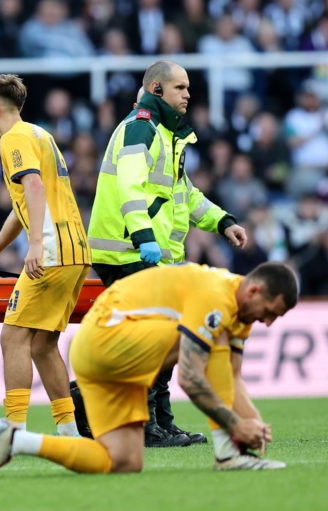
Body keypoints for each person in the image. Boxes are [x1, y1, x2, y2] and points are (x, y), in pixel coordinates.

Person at [0, 261, 299, 478]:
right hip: (108, 337)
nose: (268, 322)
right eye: (269, 312)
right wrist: (235, 426)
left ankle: (15, 440)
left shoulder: (239, 312)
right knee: (211, 337)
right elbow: (190, 376)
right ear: (255, 291)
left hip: (112, 358)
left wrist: (255, 423)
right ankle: (228, 454)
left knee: (124, 461)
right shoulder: (216, 296)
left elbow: (233, 376)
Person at [86, 61, 248, 447]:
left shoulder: (166, 133)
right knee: (154, 339)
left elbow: (185, 195)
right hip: (126, 250)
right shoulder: (140, 128)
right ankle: (144, 425)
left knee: (162, 338)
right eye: (180, 87)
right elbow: (130, 186)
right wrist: (143, 236)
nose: (188, 94)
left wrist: (223, 221)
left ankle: (159, 421)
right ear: (156, 90)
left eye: (188, 87)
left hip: (148, 253)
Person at [0, 74, 92, 455]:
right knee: (42, 344)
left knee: (13, 337)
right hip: (75, 253)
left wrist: (35, 244)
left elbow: (34, 189)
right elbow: (26, 200)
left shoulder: (13, 139)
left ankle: (13, 431)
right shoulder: (39, 134)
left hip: (51, 253)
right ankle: (69, 431)